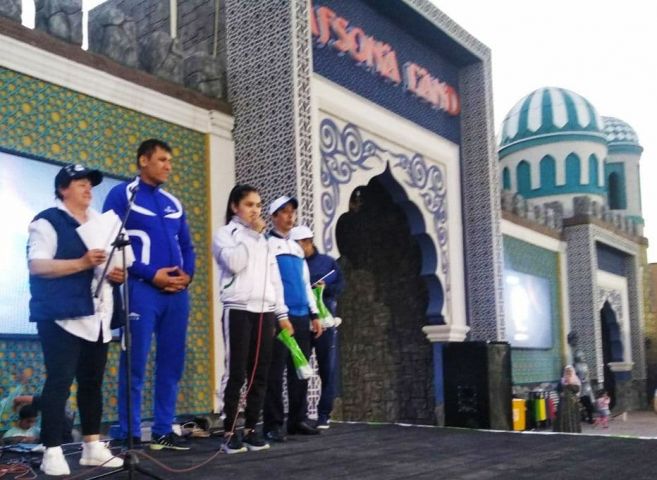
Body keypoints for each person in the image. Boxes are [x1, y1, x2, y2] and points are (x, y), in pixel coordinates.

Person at [27, 163, 124, 475]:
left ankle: (92, 446)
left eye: (89, 183)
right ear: (62, 189)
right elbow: (37, 266)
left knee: (92, 383)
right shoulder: (47, 221)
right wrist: (82, 262)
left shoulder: (102, 223)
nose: (88, 188)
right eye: (80, 183)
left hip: (97, 315)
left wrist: (117, 274)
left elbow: (111, 265)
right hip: (61, 316)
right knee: (60, 381)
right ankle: (52, 449)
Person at [103, 139, 195, 451]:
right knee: (135, 363)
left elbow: (187, 246)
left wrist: (188, 276)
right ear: (144, 160)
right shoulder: (122, 195)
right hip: (141, 290)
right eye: (162, 160)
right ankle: (129, 431)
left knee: (172, 362)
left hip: (177, 294)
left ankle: (162, 430)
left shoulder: (173, 202)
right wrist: (150, 274)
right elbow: (111, 242)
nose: (169, 166)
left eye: (170, 160)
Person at [212, 184, 292, 454]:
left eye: (258, 205)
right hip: (238, 308)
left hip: (265, 310)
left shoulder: (265, 241)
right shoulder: (225, 234)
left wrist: (281, 314)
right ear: (235, 207)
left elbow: (274, 279)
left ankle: (250, 429)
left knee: (260, 373)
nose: (255, 210)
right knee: (236, 372)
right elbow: (234, 263)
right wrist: (251, 235)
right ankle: (229, 431)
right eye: (249, 205)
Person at [263, 196, 323, 441]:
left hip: (300, 316)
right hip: (279, 317)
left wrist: (314, 314)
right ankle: (273, 424)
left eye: (292, 212)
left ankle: (297, 420)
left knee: (300, 369)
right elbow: (270, 282)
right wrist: (278, 313)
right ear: (274, 216)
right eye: (285, 212)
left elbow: (305, 284)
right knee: (274, 372)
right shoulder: (267, 244)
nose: (290, 216)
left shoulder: (297, 248)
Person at [289, 225, 344, 429]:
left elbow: (340, 285)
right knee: (300, 368)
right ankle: (299, 415)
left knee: (326, 368)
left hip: (324, 321)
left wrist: (325, 288)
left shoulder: (327, 263)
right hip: (301, 320)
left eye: (298, 244)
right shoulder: (294, 263)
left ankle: (323, 414)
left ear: (308, 242)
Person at [553, 365, 582, 433]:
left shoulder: (575, 379)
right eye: (566, 371)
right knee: (562, 417)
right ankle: (562, 431)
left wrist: (570, 383)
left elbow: (577, 390)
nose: (568, 372)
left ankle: (573, 431)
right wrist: (560, 393)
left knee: (572, 417)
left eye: (569, 371)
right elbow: (557, 389)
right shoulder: (562, 380)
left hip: (572, 402)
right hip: (563, 402)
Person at [574, 349, 594, 424]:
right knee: (581, 403)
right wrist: (580, 381)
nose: (582, 357)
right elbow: (575, 375)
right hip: (580, 386)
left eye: (583, 356)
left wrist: (587, 379)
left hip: (587, 386)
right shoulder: (575, 366)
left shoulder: (585, 365)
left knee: (589, 403)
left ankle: (590, 417)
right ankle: (583, 417)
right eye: (581, 356)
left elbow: (588, 374)